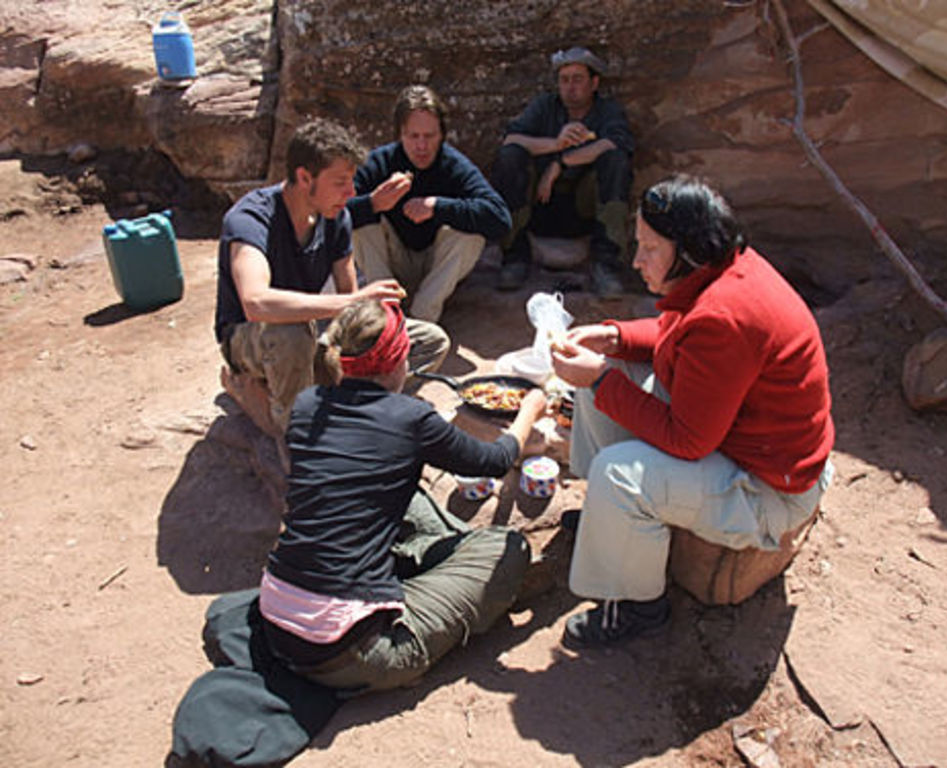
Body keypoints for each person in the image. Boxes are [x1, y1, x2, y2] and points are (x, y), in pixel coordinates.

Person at [551, 174, 835, 648]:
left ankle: (638, 607)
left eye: (649, 248)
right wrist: (615, 338)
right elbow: (675, 333)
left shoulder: (725, 316)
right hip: (741, 443)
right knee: (605, 376)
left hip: (769, 490)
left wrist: (601, 377)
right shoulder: (725, 271)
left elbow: (689, 440)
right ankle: (614, 522)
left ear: (686, 253)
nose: (636, 259)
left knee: (618, 471)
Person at [258, 298, 548, 691]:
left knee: (405, 497)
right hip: (352, 651)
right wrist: (530, 408)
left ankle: (428, 565)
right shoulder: (411, 419)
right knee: (508, 547)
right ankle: (416, 608)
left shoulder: (309, 403)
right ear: (399, 362)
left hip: (277, 617)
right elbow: (496, 459)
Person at [214, 118, 451, 439]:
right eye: (341, 182)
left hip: (315, 329)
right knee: (292, 335)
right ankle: (295, 432)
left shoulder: (336, 215)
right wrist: (351, 302)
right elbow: (256, 302)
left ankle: (341, 407)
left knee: (428, 341)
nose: (352, 192)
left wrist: (372, 318)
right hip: (253, 337)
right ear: (304, 177)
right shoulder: (251, 219)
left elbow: (350, 306)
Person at [346, 85, 512, 323]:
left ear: (441, 134)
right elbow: (331, 214)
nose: (421, 146)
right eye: (413, 136)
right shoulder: (380, 162)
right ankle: (387, 314)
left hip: (436, 269)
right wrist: (373, 203)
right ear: (400, 134)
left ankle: (423, 319)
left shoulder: (453, 165)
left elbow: (500, 219)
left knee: (471, 235)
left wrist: (437, 207)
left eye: (429, 136)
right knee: (360, 225)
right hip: (391, 263)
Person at [491, 46, 634, 297]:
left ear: (594, 82)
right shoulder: (546, 106)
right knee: (510, 157)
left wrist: (561, 162)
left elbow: (615, 143)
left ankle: (606, 265)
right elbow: (511, 139)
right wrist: (555, 144)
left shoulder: (605, 110)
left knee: (615, 161)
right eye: (564, 80)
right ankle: (514, 257)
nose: (570, 87)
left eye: (578, 79)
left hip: (583, 208)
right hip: (540, 205)